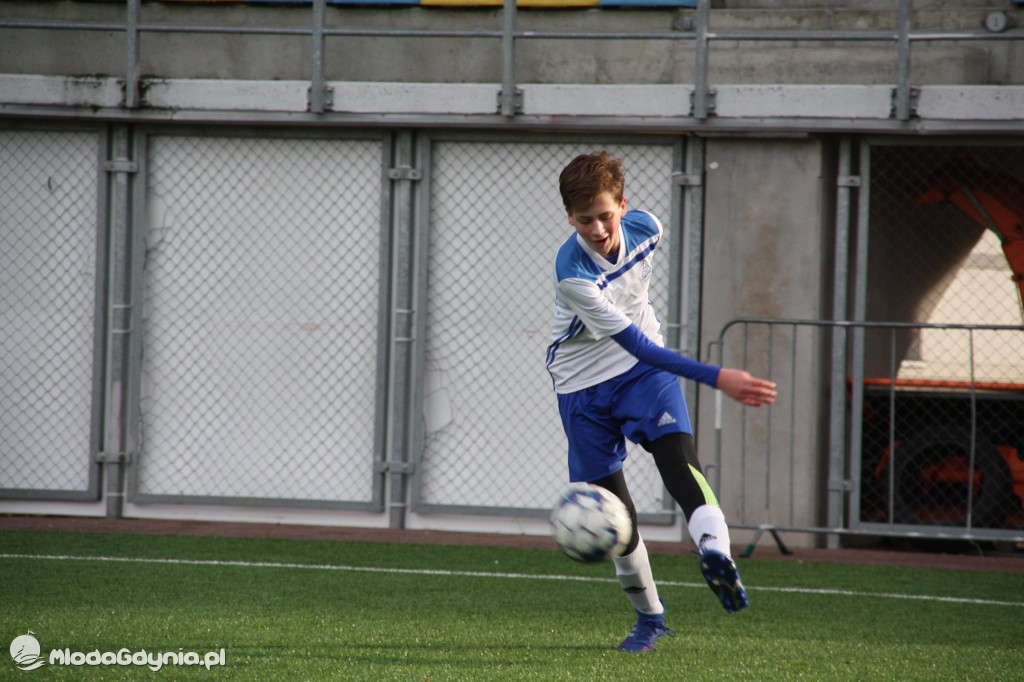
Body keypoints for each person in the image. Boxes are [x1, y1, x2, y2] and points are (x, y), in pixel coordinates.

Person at [545, 151, 777, 653]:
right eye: (584, 220)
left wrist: (714, 378)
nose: (598, 228)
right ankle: (650, 619)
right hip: (582, 386)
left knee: (679, 461)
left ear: (623, 206)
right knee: (617, 519)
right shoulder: (573, 274)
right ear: (569, 218)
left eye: (605, 215)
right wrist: (719, 377)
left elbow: (640, 348)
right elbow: (634, 342)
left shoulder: (648, 228)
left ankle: (716, 551)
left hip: (643, 376)